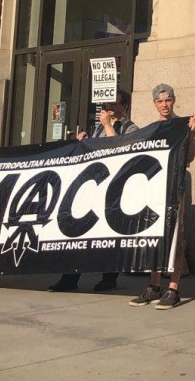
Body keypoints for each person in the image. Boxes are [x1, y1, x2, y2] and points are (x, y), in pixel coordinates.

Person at [49, 90, 138, 293]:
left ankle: (109, 278)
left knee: (109, 235)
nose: (110, 108)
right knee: (78, 230)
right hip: (94, 183)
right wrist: (85, 142)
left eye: (115, 104)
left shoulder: (130, 127)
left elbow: (118, 149)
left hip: (115, 186)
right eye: (107, 104)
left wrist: (107, 125)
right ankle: (70, 278)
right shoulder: (98, 128)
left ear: (124, 107)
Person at [128, 83, 195, 310]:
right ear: (154, 103)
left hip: (175, 188)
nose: (164, 105)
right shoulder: (151, 128)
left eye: (167, 100)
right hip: (154, 189)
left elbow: (190, 156)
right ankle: (154, 286)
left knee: (176, 238)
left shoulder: (182, 125)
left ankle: (173, 288)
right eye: (160, 101)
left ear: (174, 100)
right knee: (154, 237)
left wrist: (191, 132)